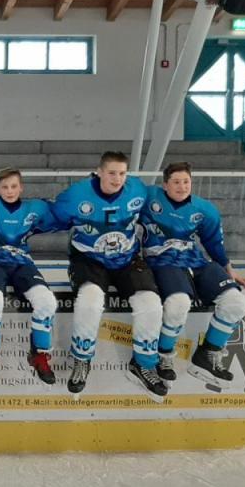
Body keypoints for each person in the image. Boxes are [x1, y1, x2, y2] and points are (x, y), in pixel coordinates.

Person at [51, 151, 167, 402]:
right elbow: (50, 217)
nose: (117, 179)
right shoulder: (75, 195)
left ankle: (144, 363)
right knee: (90, 301)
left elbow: (160, 208)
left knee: (151, 304)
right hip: (89, 259)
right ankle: (82, 359)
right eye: (112, 173)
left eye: (122, 173)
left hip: (127, 259)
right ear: (99, 172)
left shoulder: (137, 189)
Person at [141, 162, 245, 387]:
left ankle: (208, 353)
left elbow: (214, 242)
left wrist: (228, 268)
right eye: (176, 182)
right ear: (165, 185)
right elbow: (120, 191)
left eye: (186, 181)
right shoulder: (148, 196)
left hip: (195, 261)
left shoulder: (205, 209)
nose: (182, 187)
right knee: (178, 303)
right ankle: (163, 356)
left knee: (235, 302)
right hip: (162, 261)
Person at [0, 168, 60, 386]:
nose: (9, 191)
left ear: (21, 188)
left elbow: (64, 212)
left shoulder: (34, 208)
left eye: (14, 186)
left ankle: (39, 354)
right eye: (5, 187)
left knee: (47, 301)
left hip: (21, 263)